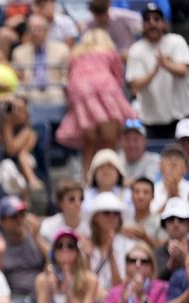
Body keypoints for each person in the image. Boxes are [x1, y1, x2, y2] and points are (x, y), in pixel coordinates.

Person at [55, 29, 137, 176]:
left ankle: (86, 181)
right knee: (109, 141)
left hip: (79, 93)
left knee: (89, 142)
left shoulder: (75, 53)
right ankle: (111, 179)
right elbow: (118, 78)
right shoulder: (109, 51)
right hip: (106, 92)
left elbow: (68, 78)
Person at [125, 3, 189, 140]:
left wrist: (166, 64)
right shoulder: (136, 49)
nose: (152, 23)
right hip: (150, 120)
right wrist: (155, 70)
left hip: (180, 117)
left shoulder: (176, 41)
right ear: (143, 25)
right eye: (147, 20)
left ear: (164, 23)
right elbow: (135, 86)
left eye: (156, 19)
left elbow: (183, 71)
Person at [34, 228, 98, 303]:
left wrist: (69, 293)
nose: (65, 249)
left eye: (70, 245)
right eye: (59, 245)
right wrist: (48, 293)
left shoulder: (90, 280)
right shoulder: (42, 280)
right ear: (53, 252)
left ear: (77, 251)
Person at [101, 243, 169, 303]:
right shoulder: (114, 292)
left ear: (151, 266)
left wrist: (142, 298)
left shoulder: (162, 288)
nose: (138, 264)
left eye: (144, 261)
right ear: (126, 266)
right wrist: (122, 302)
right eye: (133, 260)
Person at [123, 177, 168, 249]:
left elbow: (163, 252)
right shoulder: (123, 221)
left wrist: (145, 238)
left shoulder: (161, 221)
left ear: (153, 196)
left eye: (146, 192)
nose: (141, 196)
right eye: (137, 192)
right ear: (131, 196)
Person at [39, 179, 89, 244]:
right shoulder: (48, 225)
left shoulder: (90, 224)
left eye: (81, 199)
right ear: (60, 202)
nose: (78, 203)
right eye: (72, 199)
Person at [154, 197, 189, 280]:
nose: (176, 224)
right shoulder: (157, 253)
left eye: (181, 219)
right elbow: (154, 283)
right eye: (171, 219)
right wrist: (170, 267)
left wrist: (185, 259)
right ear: (164, 223)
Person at [152, 143, 189, 214]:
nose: (173, 161)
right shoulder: (151, 190)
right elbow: (150, 222)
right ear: (160, 166)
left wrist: (176, 194)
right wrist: (171, 196)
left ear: (185, 169)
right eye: (168, 157)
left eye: (179, 157)